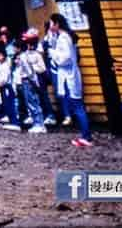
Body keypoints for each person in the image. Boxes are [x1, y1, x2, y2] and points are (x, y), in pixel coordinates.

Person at [47, 12, 93, 147]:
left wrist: (53, 53)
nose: (50, 26)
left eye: (51, 23)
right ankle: (85, 135)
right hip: (69, 75)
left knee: (77, 106)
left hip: (69, 76)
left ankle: (87, 137)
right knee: (76, 106)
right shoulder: (62, 37)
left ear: (57, 24)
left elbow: (65, 58)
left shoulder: (63, 38)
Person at [15, 28, 48, 133]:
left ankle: (39, 124)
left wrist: (33, 69)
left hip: (30, 80)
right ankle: (36, 123)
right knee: (30, 102)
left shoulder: (35, 55)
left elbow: (42, 68)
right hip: (25, 80)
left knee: (34, 102)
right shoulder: (23, 56)